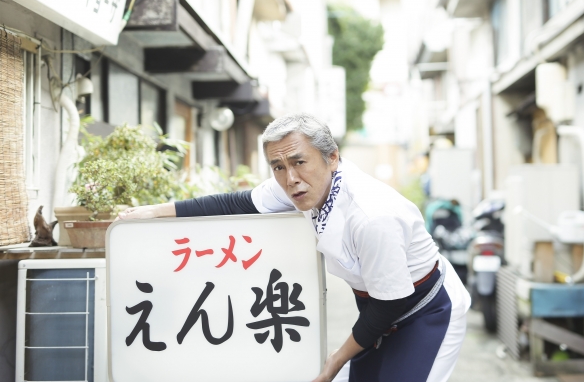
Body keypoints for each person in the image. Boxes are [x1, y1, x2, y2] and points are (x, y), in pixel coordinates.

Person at [118, 113, 470, 382]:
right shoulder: (297, 185)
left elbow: (391, 302)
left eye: (299, 162)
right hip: (378, 312)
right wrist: (155, 212)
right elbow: (237, 203)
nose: (290, 179)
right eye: (278, 167)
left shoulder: (371, 216)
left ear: (331, 158)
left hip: (426, 308)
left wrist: (336, 359)